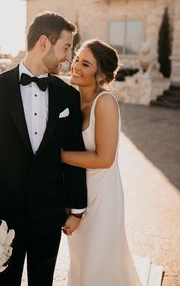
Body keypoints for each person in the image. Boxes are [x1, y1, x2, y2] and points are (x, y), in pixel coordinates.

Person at [0, 11, 87, 286]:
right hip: (3, 217)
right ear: (43, 43)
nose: (68, 56)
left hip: (50, 213)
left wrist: (77, 208)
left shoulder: (68, 96)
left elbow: (74, 152)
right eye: (65, 47)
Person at [62, 39, 142, 286]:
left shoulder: (105, 103)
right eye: (77, 59)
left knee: (97, 266)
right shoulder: (73, 100)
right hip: (79, 197)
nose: (75, 65)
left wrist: (56, 155)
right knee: (82, 263)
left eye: (85, 63)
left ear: (102, 75)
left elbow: (104, 159)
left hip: (103, 199)